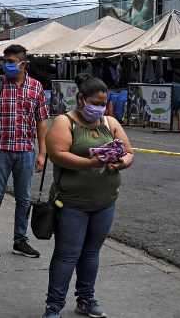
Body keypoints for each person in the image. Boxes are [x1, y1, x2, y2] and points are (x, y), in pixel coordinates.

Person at [41, 74, 135, 318]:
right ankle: (53, 306)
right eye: (94, 102)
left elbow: (129, 152)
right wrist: (90, 162)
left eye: (102, 103)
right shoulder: (64, 122)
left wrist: (121, 163)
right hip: (72, 203)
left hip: (105, 202)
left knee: (91, 253)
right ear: (80, 99)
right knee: (66, 255)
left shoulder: (110, 122)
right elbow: (58, 154)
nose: (98, 108)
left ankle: (86, 298)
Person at [0, 44, 49, 261]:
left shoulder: (36, 87)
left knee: (24, 198)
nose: (6, 65)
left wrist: (42, 153)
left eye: (11, 61)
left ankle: (21, 240)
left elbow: (41, 122)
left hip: (26, 151)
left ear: (23, 63)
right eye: (5, 61)